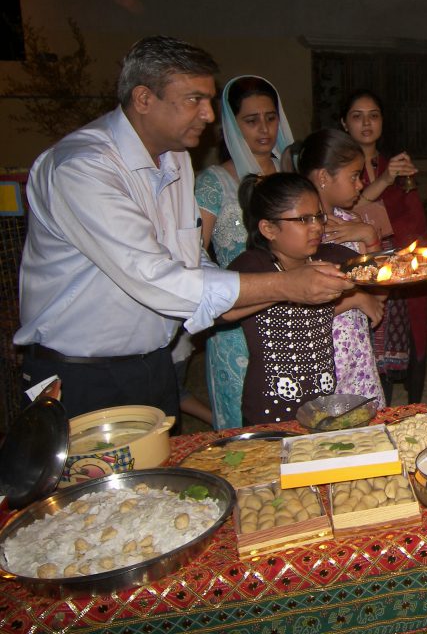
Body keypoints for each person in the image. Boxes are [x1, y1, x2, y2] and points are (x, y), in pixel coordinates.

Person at [15, 35, 352, 419]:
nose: (209, 115)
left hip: (153, 365)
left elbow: (189, 260)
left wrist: (247, 294)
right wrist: (283, 285)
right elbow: (154, 277)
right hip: (81, 373)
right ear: (144, 99)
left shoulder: (174, 159)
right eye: (195, 100)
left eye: (209, 100)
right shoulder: (82, 168)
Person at [223, 173, 374, 424]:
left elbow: (378, 272)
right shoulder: (252, 267)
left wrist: (371, 237)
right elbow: (216, 311)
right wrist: (287, 288)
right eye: (303, 219)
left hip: (322, 403)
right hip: (271, 408)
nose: (316, 226)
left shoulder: (329, 257)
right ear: (269, 228)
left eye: (317, 216)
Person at [195, 75, 295, 429]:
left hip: (294, 322)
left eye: (271, 117)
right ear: (230, 126)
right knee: (247, 437)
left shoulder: (292, 175)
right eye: (251, 121)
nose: (264, 129)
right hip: (238, 328)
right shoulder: (214, 182)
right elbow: (192, 258)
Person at [341, 89, 427, 404]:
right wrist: (386, 180)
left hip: (395, 269)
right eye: (357, 116)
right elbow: (344, 211)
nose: (366, 123)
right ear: (344, 123)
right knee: (359, 352)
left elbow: (413, 219)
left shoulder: (393, 166)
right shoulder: (335, 167)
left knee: (399, 353)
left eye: (374, 115)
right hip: (356, 268)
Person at [296, 129, 386, 408]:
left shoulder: (351, 221)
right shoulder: (296, 231)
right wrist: (355, 299)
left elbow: (380, 295)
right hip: (319, 354)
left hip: (356, 356)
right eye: (354, 176)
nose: (361, 184)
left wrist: (369, 236)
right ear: (324, 177)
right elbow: (293, 308)